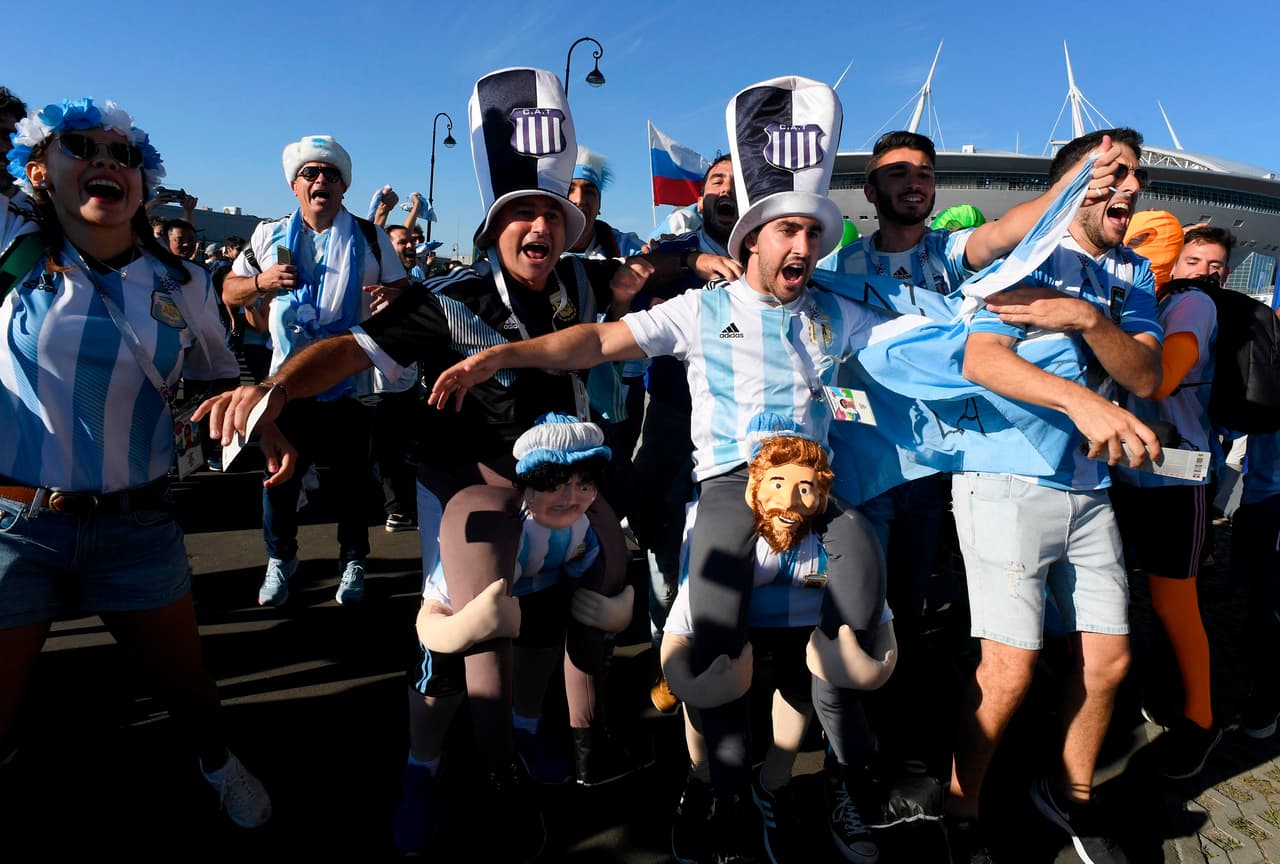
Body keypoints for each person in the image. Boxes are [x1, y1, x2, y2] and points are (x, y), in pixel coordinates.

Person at [193, 65, 733, 855]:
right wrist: (275, 387)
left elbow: (644, 277)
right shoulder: (444, 299)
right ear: (494, 227)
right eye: (524, 213)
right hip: (469, 493)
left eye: (552, 211)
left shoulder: (581, 287)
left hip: (561, 492)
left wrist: (705, 265)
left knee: (561, 607)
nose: (541, 227)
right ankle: (432, 768)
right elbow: (346, 352)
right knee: (462, 640)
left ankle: (539, 732)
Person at [428, 75, 893, 864]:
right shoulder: (700, 310)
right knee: (711, 648)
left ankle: (806, 787)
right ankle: (715, 789)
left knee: (859, 624)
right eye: (787, 232)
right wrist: (501, 353)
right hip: (724, 490)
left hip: (815, 495)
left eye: (813, 235)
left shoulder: (835, 312)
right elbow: (597, 343)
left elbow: (916, 353)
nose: (804, 248)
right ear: (752, 239)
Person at [0, 97, 295, 830]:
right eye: (80, 146)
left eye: (123, 154)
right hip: (14, 526)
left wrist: (261, 415)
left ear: (143, 181)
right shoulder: (10, 247)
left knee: (189, 687)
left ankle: (218, 764)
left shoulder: (183, 283)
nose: (106, 161)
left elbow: (222, 376)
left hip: (137, 525)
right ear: (40, 171)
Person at [818, 129, 1129, 781]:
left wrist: (1070, 189)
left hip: (934, 464)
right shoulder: (838, 266)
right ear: (871, 191)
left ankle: (900, 744)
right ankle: (851, 751)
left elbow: (1007, 231)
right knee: (859, 608)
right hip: (862, 464)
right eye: (898, 173)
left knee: (906, 606)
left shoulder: (952, 255)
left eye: (925, 173)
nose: (914, 182)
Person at [946, 128, 1163, 864]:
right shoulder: (1025, 256)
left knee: (1107, 663)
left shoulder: (1134, 272)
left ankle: (1069, 796)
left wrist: (1088, 319)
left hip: (1090, 488)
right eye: (1112, 175)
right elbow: (982, 357)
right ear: (1072, 185)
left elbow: (1144, 378)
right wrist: (1080, 402)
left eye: (1135, 177)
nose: (1130, 189)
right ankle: (961, 807)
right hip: (1005, 482)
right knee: (1008, 669)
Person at [394, 414, 635, 858]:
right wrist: (466, 625)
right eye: (556, 482)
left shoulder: (584, 522)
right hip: (471, 565)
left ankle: (526, 726)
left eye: (584, 482)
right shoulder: (493, 526)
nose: (571, 496)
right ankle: (422, 766)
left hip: (533, 586)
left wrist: (614, 609)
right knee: (442, 671)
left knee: (541, 629)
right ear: (527, 484)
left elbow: (598, 577)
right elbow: (432, 617)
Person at [662, 418, 899, 864]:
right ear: (754, 485)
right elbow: (681, 630)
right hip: (730, 636)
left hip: (803, 637)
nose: (793, 501)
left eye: (807, 487)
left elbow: (877, 610)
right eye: (778, 483)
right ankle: (705, 780)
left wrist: (877, 665)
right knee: (709, 686)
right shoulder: (728, 538)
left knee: (799, 687)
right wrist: (689, 685)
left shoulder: (835, 536)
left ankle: (773, 782)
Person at [218, 134, 406, 607]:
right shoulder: (268, 235)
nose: (321, 180)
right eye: (311, 173)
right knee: (279, 477)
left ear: (343, 188)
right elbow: (229, 291)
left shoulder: (368, 236)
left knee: (352, 481)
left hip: (352, 383)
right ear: (294, 186)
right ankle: (281, 558)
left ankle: (353, 558)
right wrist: (260, 281)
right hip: (286, 385)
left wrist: (392, 299)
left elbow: (404, 291)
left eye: (331, 175)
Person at [1112, 214, 1225, 779]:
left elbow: (1158, 381)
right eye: (1192, 260)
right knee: (1145, 596)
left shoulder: (1189, 305)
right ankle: (1162, 689)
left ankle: (1203, 720)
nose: (1202, 273)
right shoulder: (1148, 298)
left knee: (1175, 601)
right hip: (1132, 472)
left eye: (1215, 268)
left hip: (1177, 479)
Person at [632, 155, 738, 714]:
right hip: (673, 415)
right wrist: (695, 260)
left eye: (735, 182)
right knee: (665, 556)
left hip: (739, 430)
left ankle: (724, 667)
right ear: (703, 196)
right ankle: (667, 663)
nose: (725, 189)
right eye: (716, 181)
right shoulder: (673, 246)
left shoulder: (766, 242)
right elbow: (639, 269)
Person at [375, 224, 424, 532]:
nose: (410, 247)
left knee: (405, 448)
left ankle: (404, 506)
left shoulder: (416, 277)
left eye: (412, 242)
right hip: (379, 383)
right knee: (387, 450)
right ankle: (398, 510)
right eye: (402, 242)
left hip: (410, 379)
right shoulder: (374, 280)